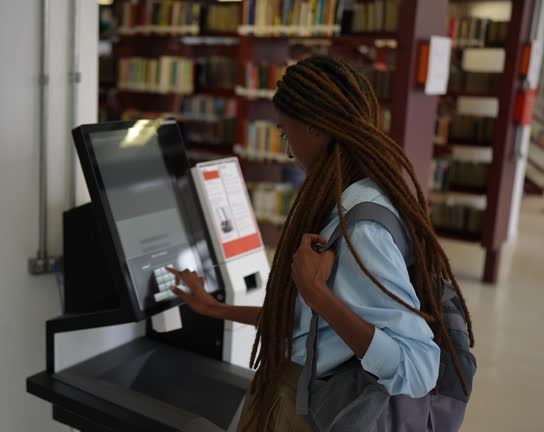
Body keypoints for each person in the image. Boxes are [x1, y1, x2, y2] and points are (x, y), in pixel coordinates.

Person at [166, 55, 474, 431]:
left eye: (285, 131)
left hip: (315, 410)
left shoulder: (361, 230)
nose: (287, 147)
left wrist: (317, 294)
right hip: (292, 390)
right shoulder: (347, 199)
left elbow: (417, 365)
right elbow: (303, 326)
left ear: (314, 128)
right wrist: (214, 309)